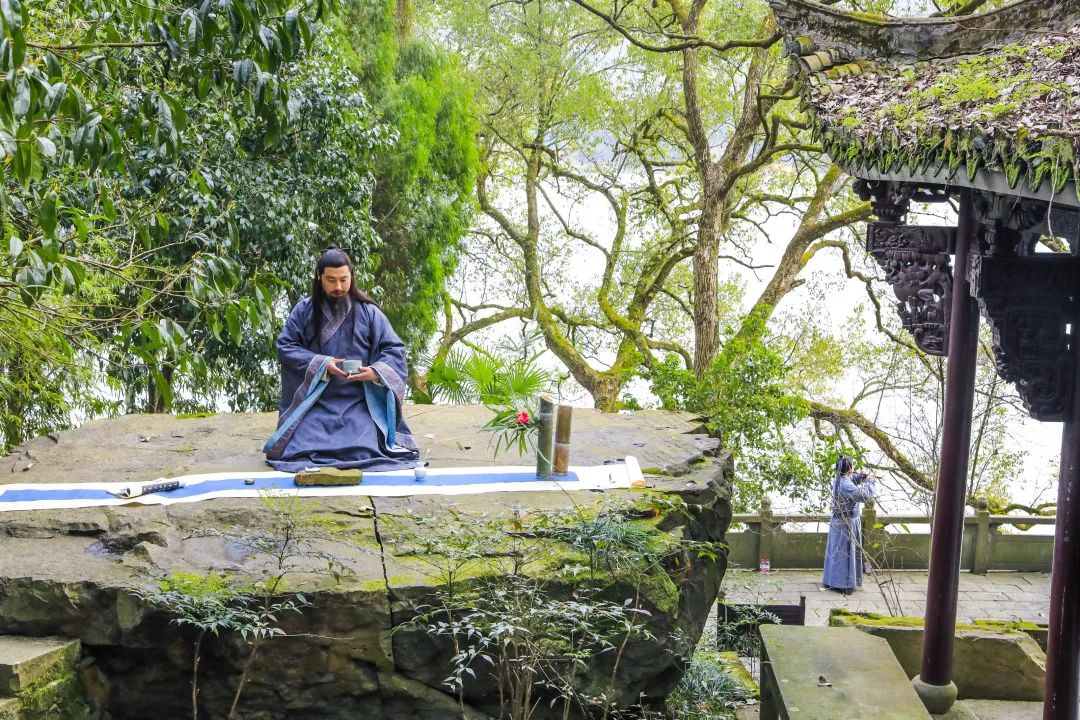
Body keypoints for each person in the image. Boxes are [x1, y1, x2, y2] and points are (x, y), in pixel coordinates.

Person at [263, 247, 419, 472]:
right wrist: (322, 364)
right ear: (319, 277)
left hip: (359, 402)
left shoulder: (369, 312)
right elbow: (286, 346)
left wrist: (376, 372)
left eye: (343, 279)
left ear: (351, 276)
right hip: (317, 402)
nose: (338, 287)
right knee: (299, 449)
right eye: (331, 280)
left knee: (365, 447)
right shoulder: (304, 311)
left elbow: (394, 349)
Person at [822, 456, 875, 595]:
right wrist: (869, 481)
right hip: (846, 523)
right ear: (849, 468)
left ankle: (832, 580)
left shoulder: (839, 479)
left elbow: (852, 480)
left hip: (838, 521)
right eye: (852, 466)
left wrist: (861, 477)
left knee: (837, 552)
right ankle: (843, 584)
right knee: (844, 554)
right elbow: (864, 496)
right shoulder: (845, 484)